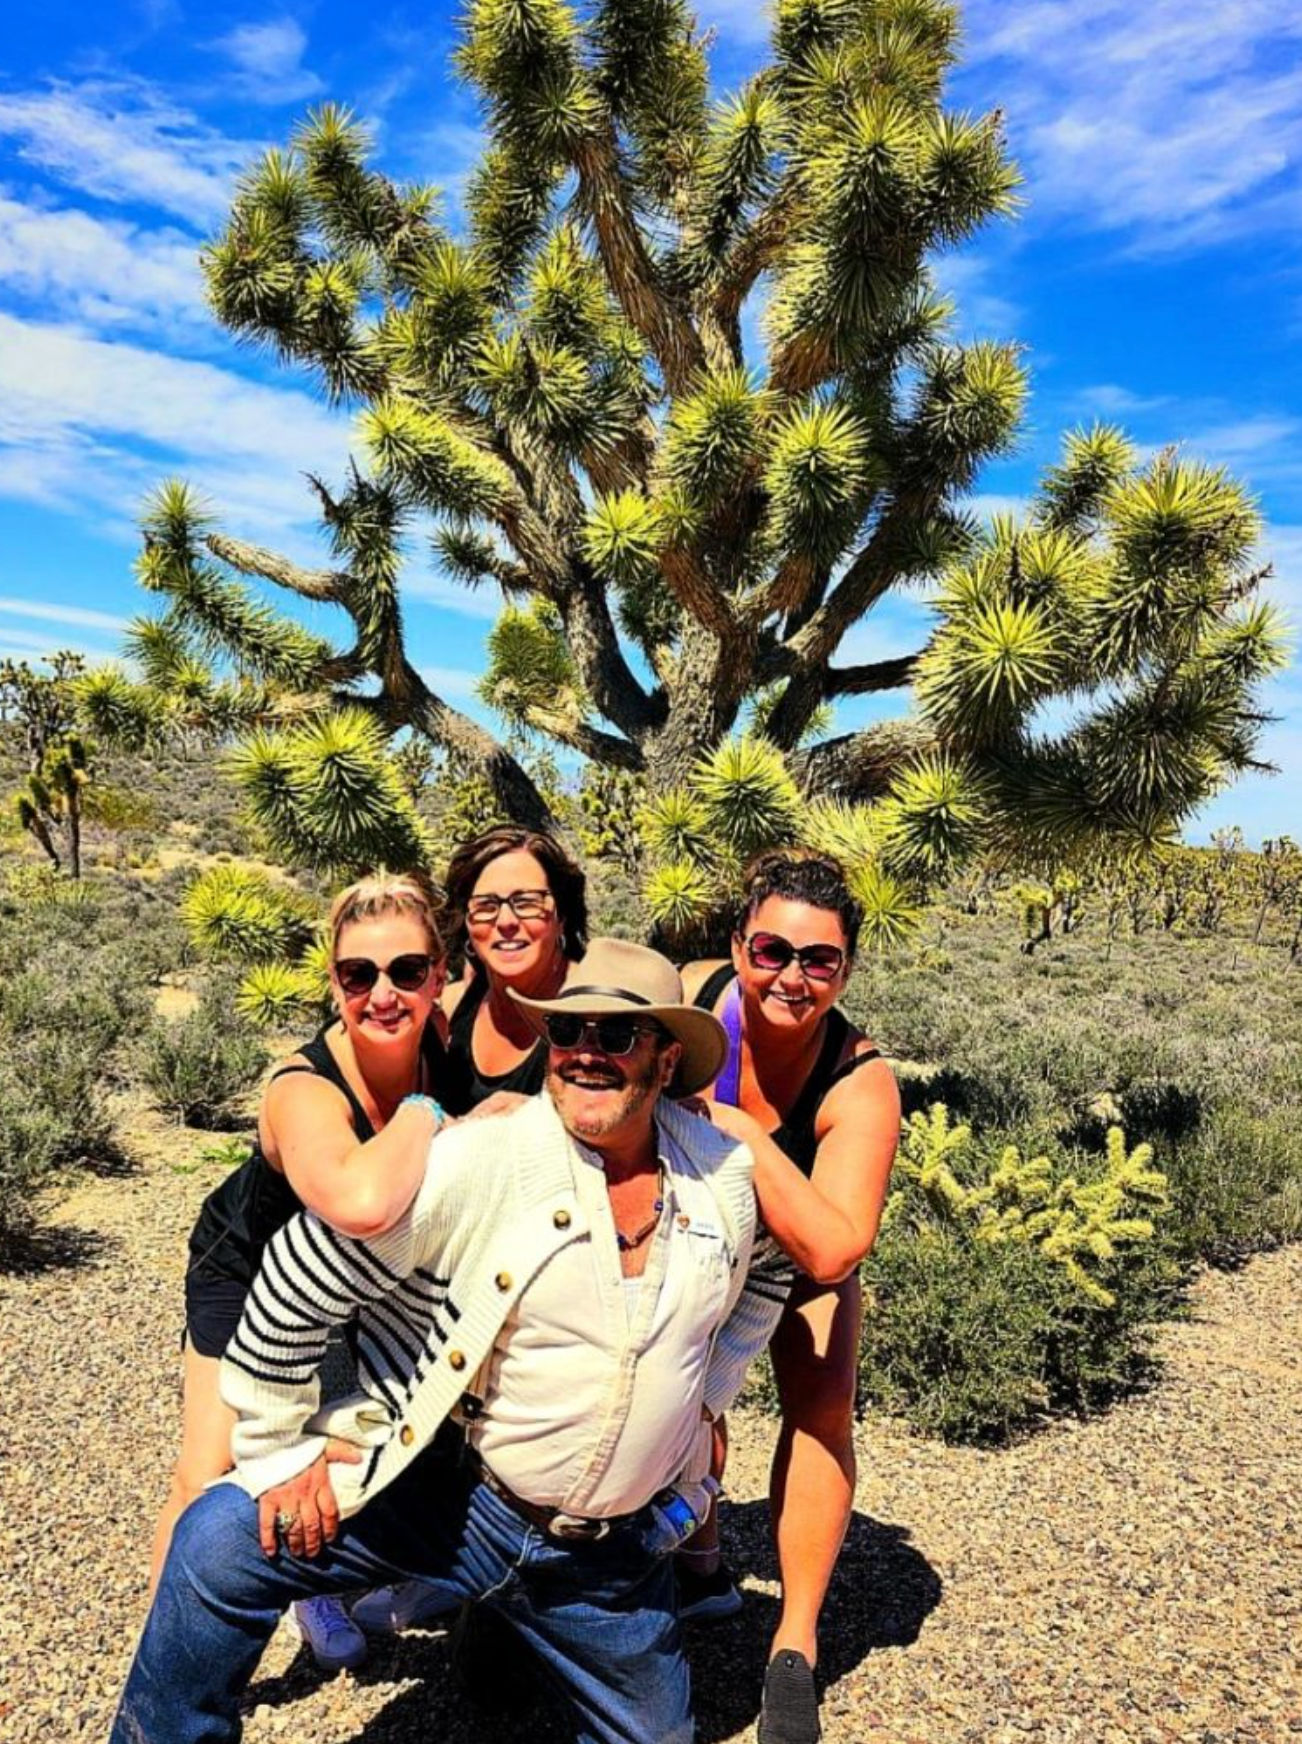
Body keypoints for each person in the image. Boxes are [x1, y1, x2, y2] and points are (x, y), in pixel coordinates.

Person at [113, 939, 843, 1744]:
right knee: (217, 1546)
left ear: (667, 1061)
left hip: (604, 1564)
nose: (587, 1055)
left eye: (617, 1036)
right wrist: (282, 1453)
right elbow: (298, 1274)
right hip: (456, 1499)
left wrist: (707, 1400)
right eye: (569, 1035)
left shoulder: (724, 1175)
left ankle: (507, 1627)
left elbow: (770, 1272)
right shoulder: (485, 1157)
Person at [149, 870, 452, 1672]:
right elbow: (356, 1198)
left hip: (352, 1283)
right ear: (334, 981)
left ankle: (317, 1579)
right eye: (359, 974)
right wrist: (427, 1115)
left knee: (345, 1439)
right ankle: (170, 1664)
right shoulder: (302, 1088)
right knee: (212, 1467)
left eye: (407, 972)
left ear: (440, 977)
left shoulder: (445, 1046)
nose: (383, 994)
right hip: (246, 1270)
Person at [681, 851, 900, 1744]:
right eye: (772, 950)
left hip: (802, 1245)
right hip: (694, 1224)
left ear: (844, 970)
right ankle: (695, 1556)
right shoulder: (691, 1009)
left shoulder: (859, 1079)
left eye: (820, 961)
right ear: (738, 947)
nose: (792, 977)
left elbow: (836, 1243)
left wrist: (738, 1130)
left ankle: (795, 1642)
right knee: (684, 1388)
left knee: (822, 1405)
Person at [438, 823, 588, 1113]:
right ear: (467, 922)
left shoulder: (596, 1011)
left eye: (527, 902)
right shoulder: (449, 1010)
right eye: (486, 905)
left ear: (562, 916)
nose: (506, 921)